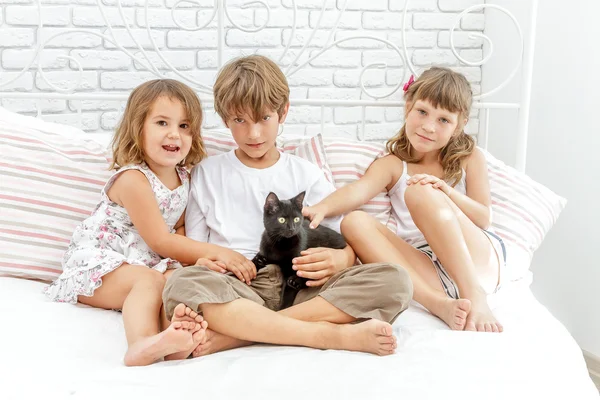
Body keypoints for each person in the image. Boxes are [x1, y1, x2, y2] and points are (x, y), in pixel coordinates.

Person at [162, 55, 413, 357]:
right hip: (239, 289)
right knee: (179, 283)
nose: (253, 133)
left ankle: (243, 335)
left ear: (283, 112)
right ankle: (324, 333)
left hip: (302, 287)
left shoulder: (306, 173)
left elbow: (347, 240)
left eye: (264, 118)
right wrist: (208, 262)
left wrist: (343, 260)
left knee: (396, 280)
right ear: (225, 118)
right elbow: (196, 251)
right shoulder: (206, 172)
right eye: (240, 120)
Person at [303, 67, 506, 333]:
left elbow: (483, 218)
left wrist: (445, 192)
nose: (428, 126)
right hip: (432, 272)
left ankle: (475, 296)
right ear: (408, 107)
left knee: (420, 190)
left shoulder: (470, 157)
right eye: (422, 112)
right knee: (353, 222)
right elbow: (358, 191)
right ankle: (437, 304)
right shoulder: (394, 165)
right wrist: (321, 207)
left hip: (476, 261)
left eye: (444, 120)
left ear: (459, 126)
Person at [44, 79, 229, 366]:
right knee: (149, 280)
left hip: (145, 262)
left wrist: (192, 265)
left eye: (184, 126)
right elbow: (161, 240)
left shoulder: (184, 179)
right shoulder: (133, 179)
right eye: (162, 123)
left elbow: (178, 231)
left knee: (176, 282)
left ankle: (175, 339)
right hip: (99, 265)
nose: (174, 135)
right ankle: (140, 345)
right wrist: (215, 253)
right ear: (138, 127)